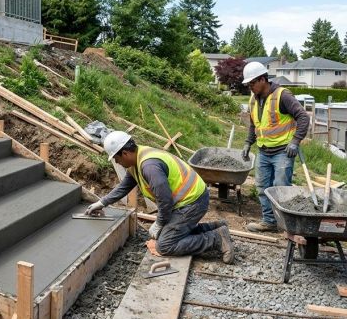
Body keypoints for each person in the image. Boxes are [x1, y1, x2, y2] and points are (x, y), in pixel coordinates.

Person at [85, 131, 235, 263]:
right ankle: (215, 227)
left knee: (165, 245)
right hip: (187, 201)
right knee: (166, 234)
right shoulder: (137, 159)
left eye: (116, 158)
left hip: (192, 203)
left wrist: (159, 223)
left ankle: (216, 239)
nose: (116, 162)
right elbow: (124, 187)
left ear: (125, 153)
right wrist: (102, 202)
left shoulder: (149, 167)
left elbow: (165, 201)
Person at [241, 61, 310, 233]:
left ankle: (286, 225)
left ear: (262, 79)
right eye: (248, 84)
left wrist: (295, 141)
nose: (250, 87)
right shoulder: (253, 100)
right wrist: (248, 143)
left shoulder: (282, 96)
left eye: (252, 83)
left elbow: (303, 117)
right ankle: (269, 221)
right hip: (264, 150)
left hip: (283, 151)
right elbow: (254, 124)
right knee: (262, 187)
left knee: (280, 187)